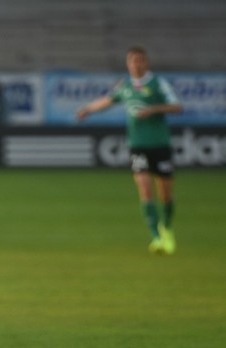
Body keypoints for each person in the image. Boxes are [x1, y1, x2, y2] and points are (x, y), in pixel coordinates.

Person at [76, 46, 184, 255]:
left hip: (160, 145)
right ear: (128, 64)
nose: (136, 64)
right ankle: (155, 237)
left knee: (165, 194)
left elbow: (177, 106)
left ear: (146, 63)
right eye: (132, 61)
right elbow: (107, 101)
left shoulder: (157, 83)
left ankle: (167, 228)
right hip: (137, 147)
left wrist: (153, 109)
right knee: (144, 188)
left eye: (140, 60)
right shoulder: (124, 86)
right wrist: (87, 109)